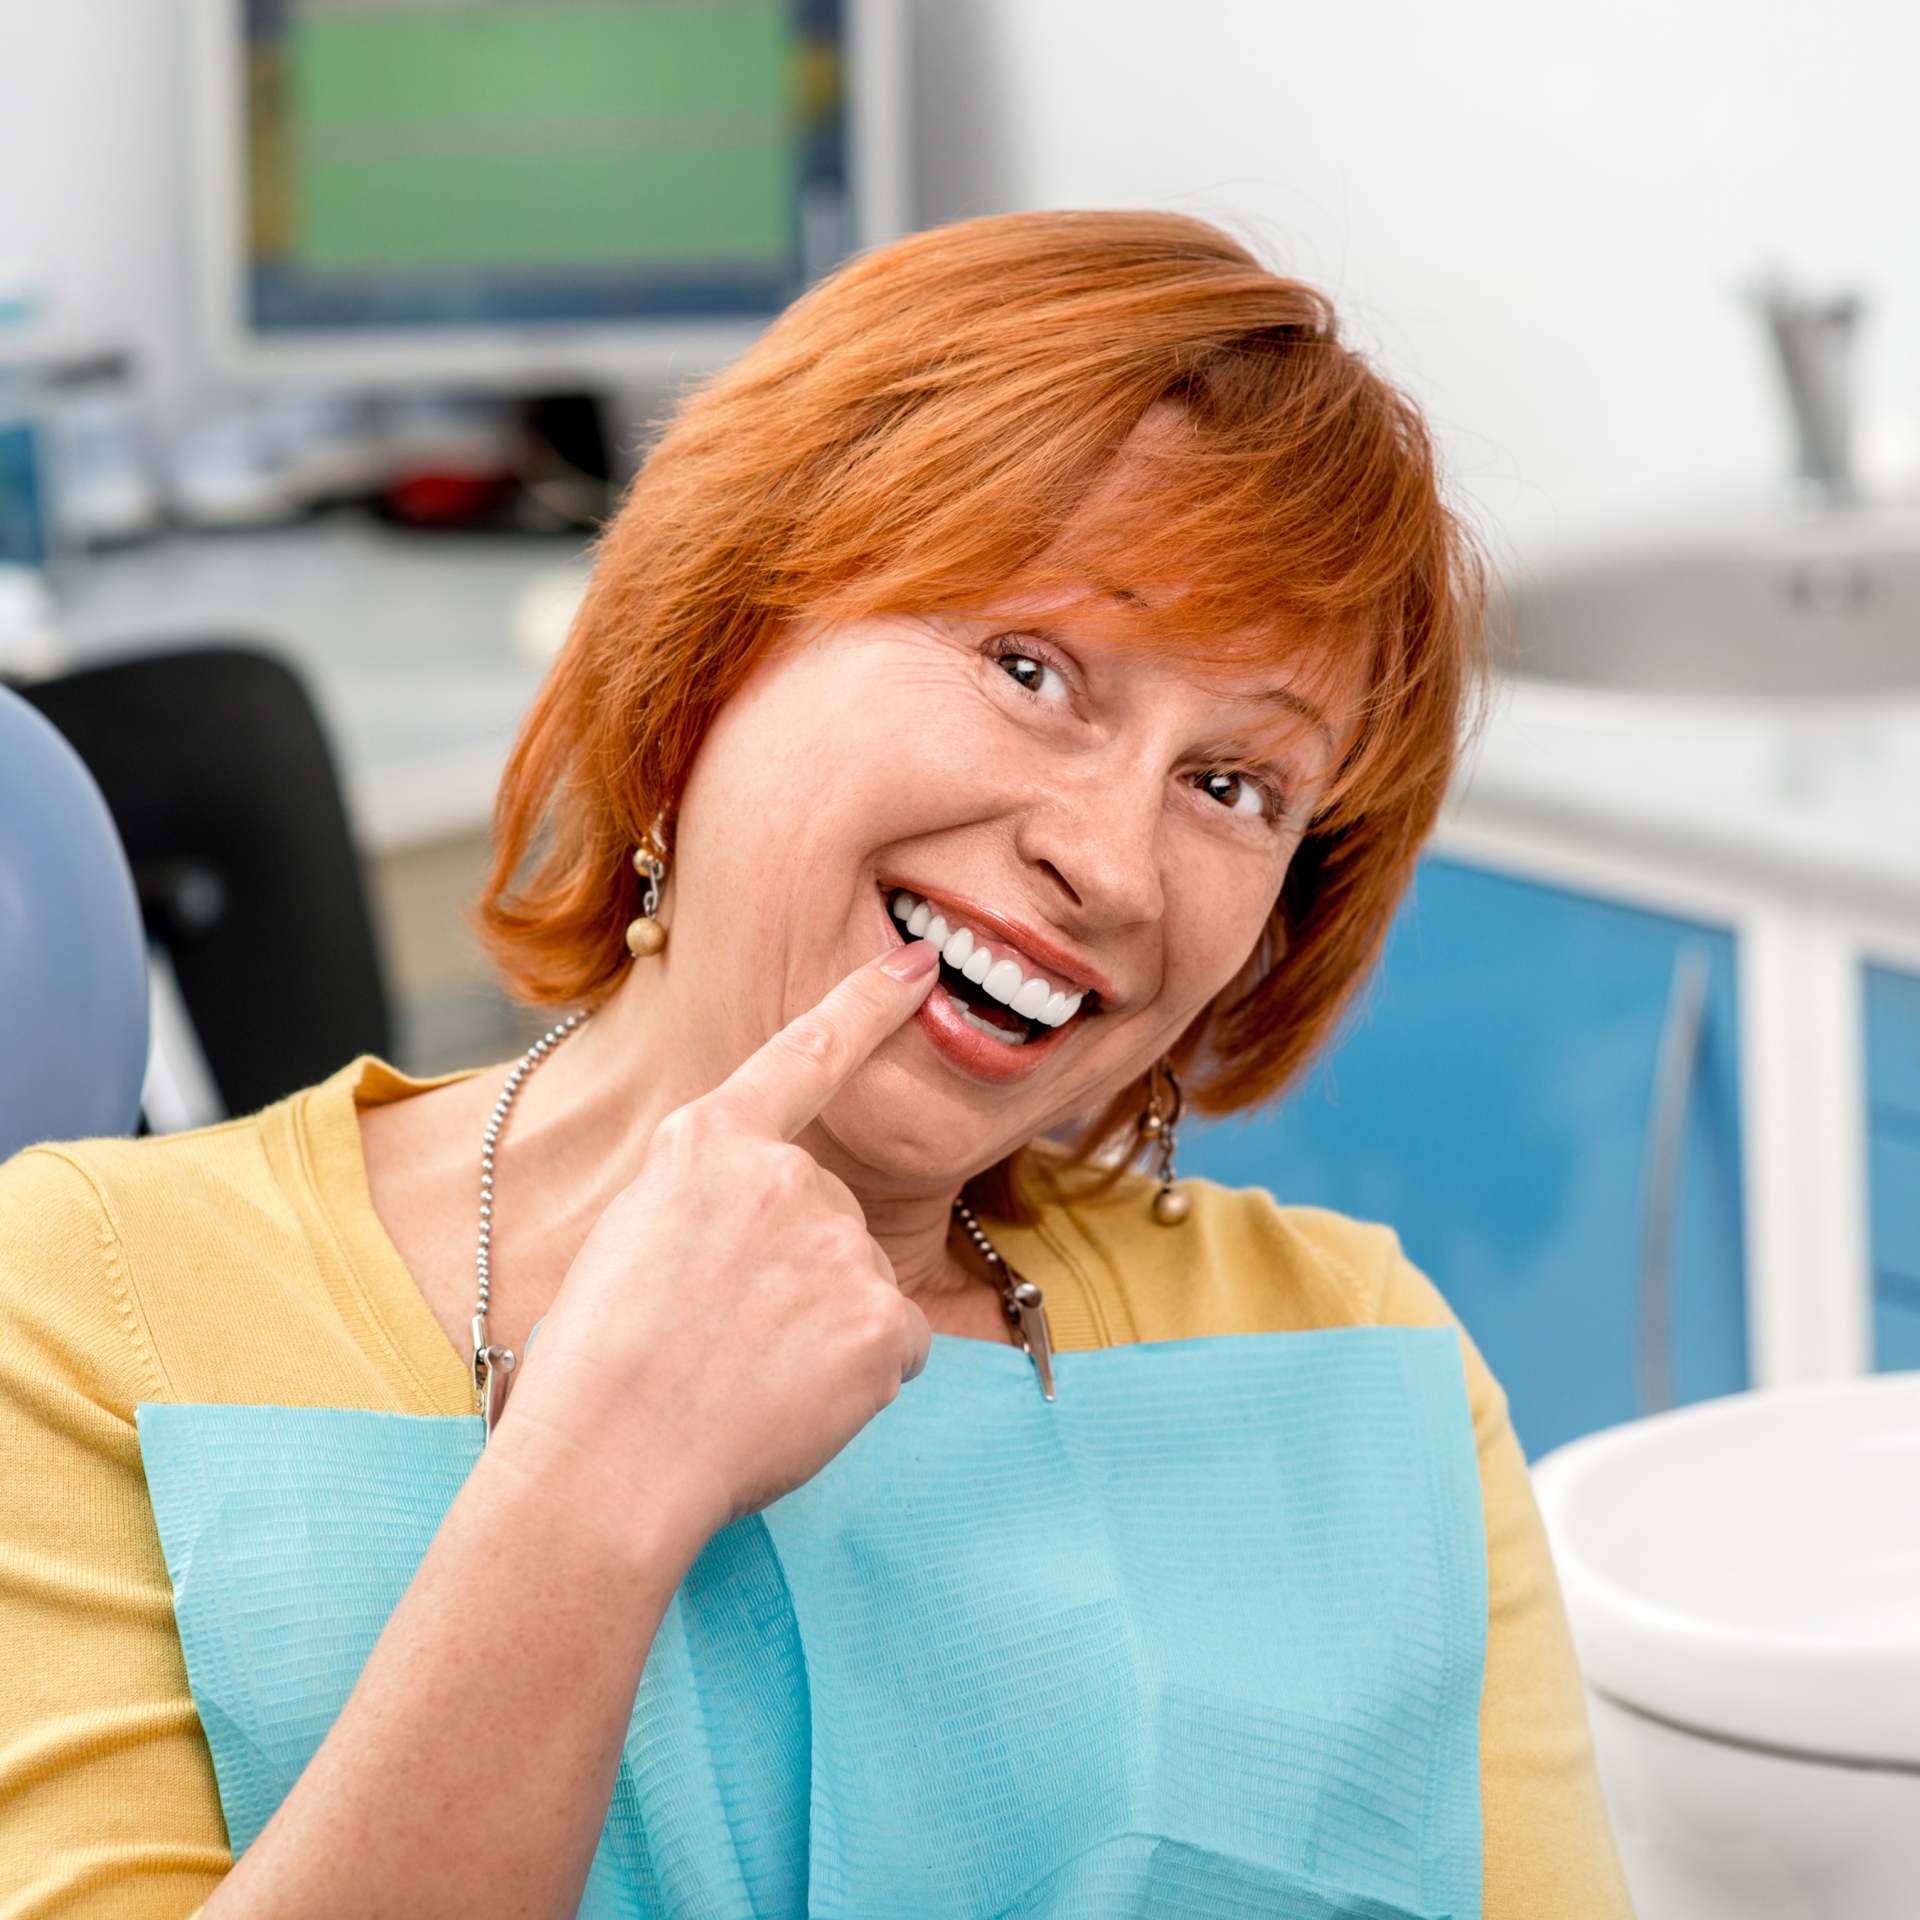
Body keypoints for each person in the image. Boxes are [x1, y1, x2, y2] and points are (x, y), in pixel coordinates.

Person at [0, 210, 1632, 1918]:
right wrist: (597, 1483)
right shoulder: (90, 1308)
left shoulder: (1356, 1362)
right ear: (716, 651)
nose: (1116, 867)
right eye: (1032, 667)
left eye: (1236, 789)